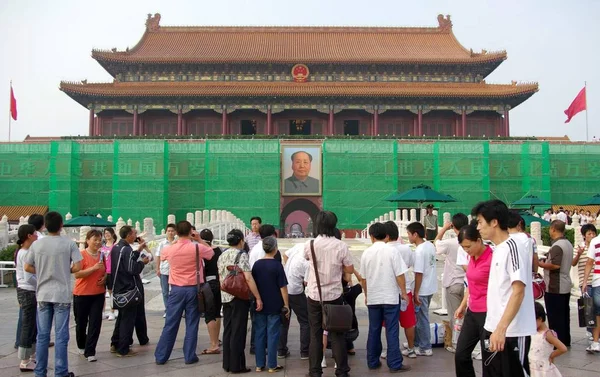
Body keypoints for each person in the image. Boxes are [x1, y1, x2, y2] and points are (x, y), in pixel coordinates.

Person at [472, 199, 536, 377]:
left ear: (494, 222)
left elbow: (518, 291)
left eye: (480, 222)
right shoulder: (496, 249)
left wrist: (502, 328)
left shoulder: (513, 248)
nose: (478, 227)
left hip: (512, 331)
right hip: (493, 328)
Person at [24, 211, 82, 377]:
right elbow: (78, 266)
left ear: (45, 226)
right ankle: (60, 372)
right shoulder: (69, 243)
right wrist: (65, 269)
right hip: (61, 294)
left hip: (43, 293)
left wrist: (43, 271)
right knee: (61, 336)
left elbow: (27, 267)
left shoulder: (37, 245)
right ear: (61, 225)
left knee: (42, 336)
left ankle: (40, 372)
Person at [155, 221, 214, 365]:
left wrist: (176, 241)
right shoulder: (197, 247)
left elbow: (162, 257)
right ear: (190, 232)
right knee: (192, 323)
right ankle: (189, 355)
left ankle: (161, 356)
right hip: (194, 289)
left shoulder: (169, 249)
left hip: (176, 289)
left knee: (170, 323)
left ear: (176, 232)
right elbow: (211, 253)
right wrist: (199, 239)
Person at [304, 211, 355, 377]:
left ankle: (315, 371)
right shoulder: (341, 246)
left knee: (315, 334)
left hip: (314, 295)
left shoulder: (310, 245)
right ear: (334, 225)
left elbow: (307, 259)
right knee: (338, 334)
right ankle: (341, 371)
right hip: (334, 295)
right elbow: (349, 269)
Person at [360, 222, 410, 372]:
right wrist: (404, 292)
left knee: (374, 329)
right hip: (390, 297)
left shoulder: (366, 253)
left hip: (374, 298)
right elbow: (400, 274)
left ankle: (372, 361)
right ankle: (394, 363)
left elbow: (363, 279)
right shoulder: (392, 252)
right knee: (392, 330)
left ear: (372, 237)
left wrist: (367, 295)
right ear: (387, 236)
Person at [218, 229, 263, 374]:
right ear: (241, 240)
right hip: (238, 297)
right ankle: (237, 365)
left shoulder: (222, 255)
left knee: (228, 331)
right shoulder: (241, 255)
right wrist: (258, 297)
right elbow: (248, 278)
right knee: (238, 331)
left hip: (225, 296)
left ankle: (227, 364)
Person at [454, 225, 493, 377]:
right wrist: (463, 305)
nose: (466, 250)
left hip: (488, 313)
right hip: (472, 311)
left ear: (478, 240)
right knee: (461, 354)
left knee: (488, 356)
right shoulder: (472, 257)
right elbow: (472, 284)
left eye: (468, 246)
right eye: (463, 248)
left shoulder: (492, 258)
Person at [109, 225, 150, 357]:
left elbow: (124, 262)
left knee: (121, 316)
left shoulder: (116, 247)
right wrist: (142, 262)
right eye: (134, 233)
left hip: (118, 287)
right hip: (128, 288)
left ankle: (115, 343)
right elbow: (132, 269)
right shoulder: (126, 249)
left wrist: (138, 250)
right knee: (128, 319)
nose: (136, 235)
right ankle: (123, 348)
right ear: (128, 235)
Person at [252, 236, 289, 372]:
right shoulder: (277, 265)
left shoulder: (257, 264)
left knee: (259, 333)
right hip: (274, 304)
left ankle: (259, 364)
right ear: (275, 249)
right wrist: (287, 305)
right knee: (273, 334)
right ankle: (272, 365)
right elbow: (283, 288)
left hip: (260, 303)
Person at [434, 213, 468, 352]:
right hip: (467, 284)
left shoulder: (451, 242)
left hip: (453, 283)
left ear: (453, 226)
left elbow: (436, 244)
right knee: (467, 316)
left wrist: (443, 229)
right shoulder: (471, 240)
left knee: (456, 315)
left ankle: (457, 344)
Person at [385, 221, 417, 359]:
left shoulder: (384, 250)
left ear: (385, 235)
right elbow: (409, 265)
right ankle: (411, 349)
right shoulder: (406, 249)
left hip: (389, 291)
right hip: (406, 291)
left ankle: (391, 350)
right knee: (409, 323)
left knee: (390, 324)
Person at [73, 230, 107, 362]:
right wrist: (93, 268)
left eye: (99, 240)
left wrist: (104, 278)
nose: (98, 242)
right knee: (81, 323)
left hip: (98, 294)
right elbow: (77, 274)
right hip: (81, 294)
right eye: (95, 239)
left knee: (95, 323)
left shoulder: (102, 256)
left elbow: (105, 271)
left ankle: (90, 350)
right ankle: (82, 345)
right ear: (87, 240)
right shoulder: (80, 255)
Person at [248, 224, 281, 354]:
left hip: (256, 288)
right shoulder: (270, 250)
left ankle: (255, 347)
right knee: (270, 322)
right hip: (269, 290)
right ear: (272, 235)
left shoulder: (255, 249)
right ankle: (264, 348)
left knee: (257, 321)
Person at [539, 220, 573, 347]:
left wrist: (540, 264)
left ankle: (557, 342)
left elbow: (555, 265)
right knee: (564, 316)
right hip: (565, 284)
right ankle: (565, 340)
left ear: (553, 229)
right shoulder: (568, 243)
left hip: (555, 286)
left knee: (555, 317)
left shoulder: (557, 246)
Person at [407, 221, 437, 357]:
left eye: (409, 233)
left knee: (421, 318)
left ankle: (425, 347)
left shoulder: (419, 251)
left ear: (415, 234)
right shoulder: (429, 245)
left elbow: (418, 273)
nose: (408, 236)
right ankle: (418, 343)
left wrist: (416, 292)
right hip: (430, 287)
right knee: (420, 317)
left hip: (423, 289)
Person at [279, 241, 310, 360]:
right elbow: (307, 282)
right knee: (305, 321)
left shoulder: (299, 246)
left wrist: (290, 272)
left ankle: (281, 350)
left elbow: (285, 255)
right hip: (296, 292)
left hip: (284, 289)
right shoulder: (306, 262)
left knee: (284, 320)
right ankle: (304, 352)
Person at [15, 224, 38, 372]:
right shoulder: (25, 253)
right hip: (27, 290)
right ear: (29, 236)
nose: (37, 236)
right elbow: (28, 277)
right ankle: (24, 360)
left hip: (25, 290)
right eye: (35, 234)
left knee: (30, 324)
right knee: (27, 325)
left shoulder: (24, 251)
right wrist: (41, 283)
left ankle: (30, 355)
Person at [199, 228, 223, 355]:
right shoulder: (218, 250)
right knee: (217, 313)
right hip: (218, 283)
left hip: (207, 285)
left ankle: (213, 344)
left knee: (209, 315)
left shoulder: (201, 251)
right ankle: (217, 339)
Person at [528, 302, 567, 377]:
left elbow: (563, 348)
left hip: (542, 368)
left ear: (540, 319)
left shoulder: (547, 334)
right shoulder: (532, 331)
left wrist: (551, 356)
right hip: (531, 365)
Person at [574, 224, 598, 342]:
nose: (592, 235)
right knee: (589, 309)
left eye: (593, 233)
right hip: (586, 283)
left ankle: (597, 334)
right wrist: (579, 253)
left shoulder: (597, 246)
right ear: (584, 236)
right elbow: (573, 263)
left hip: (597, 281)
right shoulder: (580, 248)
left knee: (597, 309)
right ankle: (590, 332)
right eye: (589, 234)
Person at [581, 224, 600, 353]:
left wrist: (584, 281)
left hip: (598, 280)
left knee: (598, 312)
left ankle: (595, 342)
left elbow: (589, 263)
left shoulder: (595, 241)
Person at [155, 223, 176, 318]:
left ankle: (175, 310)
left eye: (172, 231)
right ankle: (168, 310)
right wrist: (157, 268)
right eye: (169, 231)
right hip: (164, 270)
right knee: (165, 292)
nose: (170, 233)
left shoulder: (178, 243)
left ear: (175, 232)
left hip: (175, 271)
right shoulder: (162, 244)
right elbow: (158, 256)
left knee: (175, 291)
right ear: (166, 232)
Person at [102, 228, 117, 321]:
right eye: (105, 233)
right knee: (101, 293)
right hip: (103, 272)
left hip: (112, 271)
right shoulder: (102, 246)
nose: (106, 235)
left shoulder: (115, 246)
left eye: (108, 233)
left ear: (112, 234)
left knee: (111, 292)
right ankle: (102, 311)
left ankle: (112, 311)